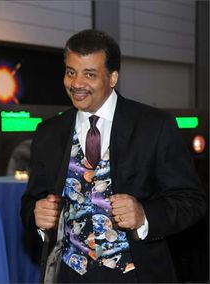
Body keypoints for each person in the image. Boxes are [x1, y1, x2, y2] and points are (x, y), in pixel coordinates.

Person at [20, 29, 206, 283]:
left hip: (135, 274)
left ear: (113, 77)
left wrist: (145, 215)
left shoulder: (154, 126)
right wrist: (36, 216)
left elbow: (192, 200)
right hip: (69, 275)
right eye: (71, 72)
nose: (76, 84)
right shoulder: (48, 133)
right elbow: (31, 202)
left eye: (90, 74)